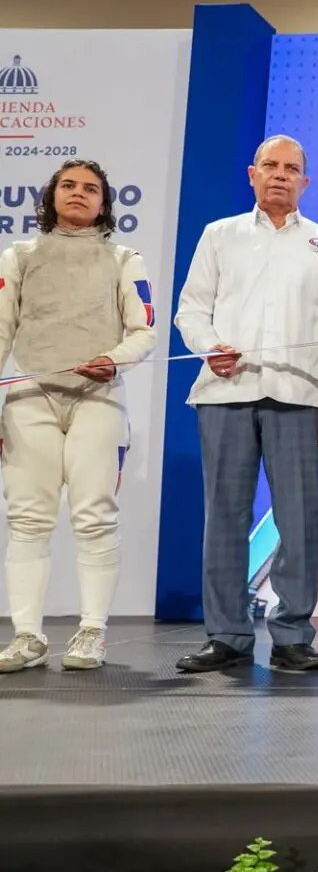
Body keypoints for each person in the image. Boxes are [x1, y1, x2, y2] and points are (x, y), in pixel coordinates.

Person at [174, 135, 318, 673]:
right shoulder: (220, 235)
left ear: (306, 181)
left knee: (299, 519)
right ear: (252, 174)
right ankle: (227, 635)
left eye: (291, 168)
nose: (280, 175)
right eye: (270, 166)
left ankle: (292, 635)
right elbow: (191, 310)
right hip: (226, 395)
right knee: (224, 517)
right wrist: (210, 347)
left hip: (300, 398)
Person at [0, 160, 155, 673]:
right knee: (28, 518)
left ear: (104, 204)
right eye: (68, 185)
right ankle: (27, 636)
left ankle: (92, 631)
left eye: (91, 188)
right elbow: (1, 331)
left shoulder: (124, 259)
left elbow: (144, 331)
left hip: (98, 396)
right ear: (51, 195)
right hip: (29, 393)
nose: (78, 193)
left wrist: (114, 359)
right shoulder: (19, 257)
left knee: (94, 515)